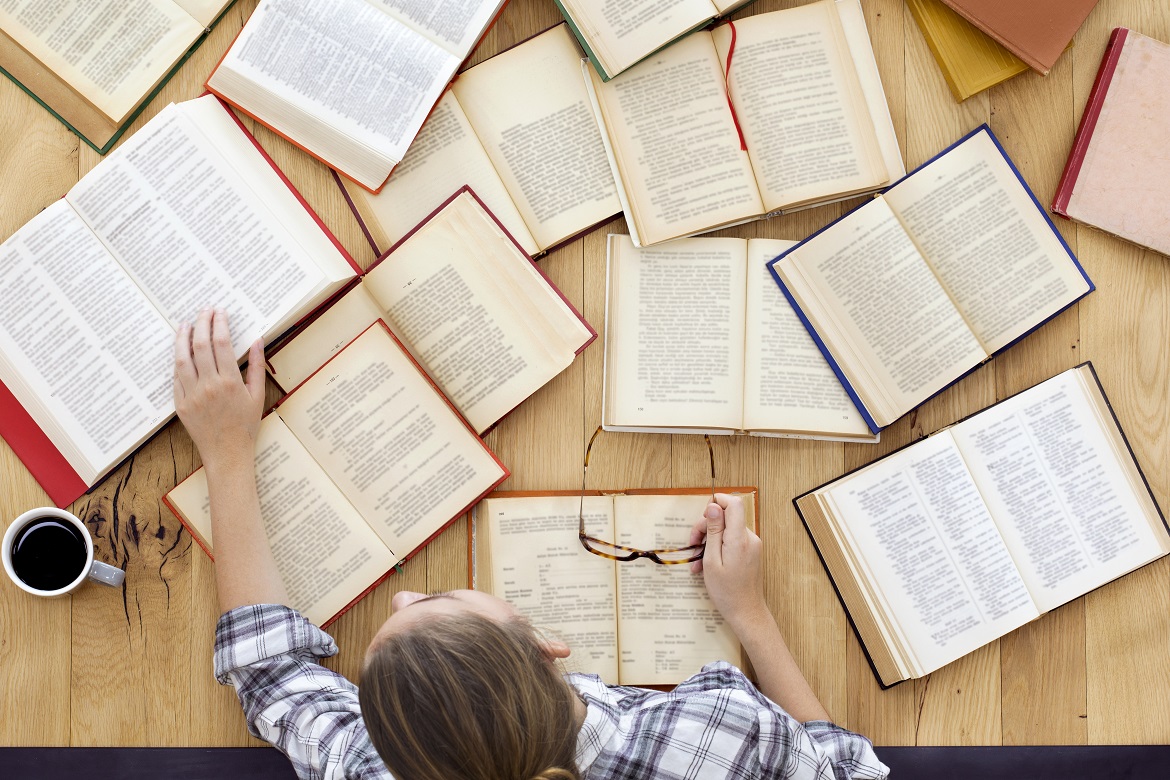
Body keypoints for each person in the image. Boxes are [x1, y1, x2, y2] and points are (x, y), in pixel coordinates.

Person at [175, 309, 889, 780]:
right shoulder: (716, 732)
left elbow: (268, 671)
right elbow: (849, 771)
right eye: (440, 599)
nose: (404, 589)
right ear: (547, 644)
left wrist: (228, 456)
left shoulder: (377, 769)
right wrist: (751, 616)